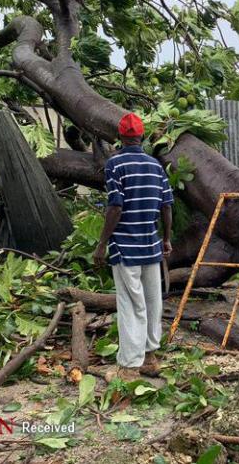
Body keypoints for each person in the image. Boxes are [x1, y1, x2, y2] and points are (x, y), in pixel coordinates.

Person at [93, 112, 173, 382]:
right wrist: (167, 239)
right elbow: (166, 205)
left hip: (125, 246)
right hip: (151, 245)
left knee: (130, 303)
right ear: (141, 137)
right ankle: (151, 357)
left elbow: (115, 206)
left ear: (120, 137)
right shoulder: (155, 166)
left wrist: (102, 244)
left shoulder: (115, 165)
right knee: (153, 301)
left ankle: (128, 366)